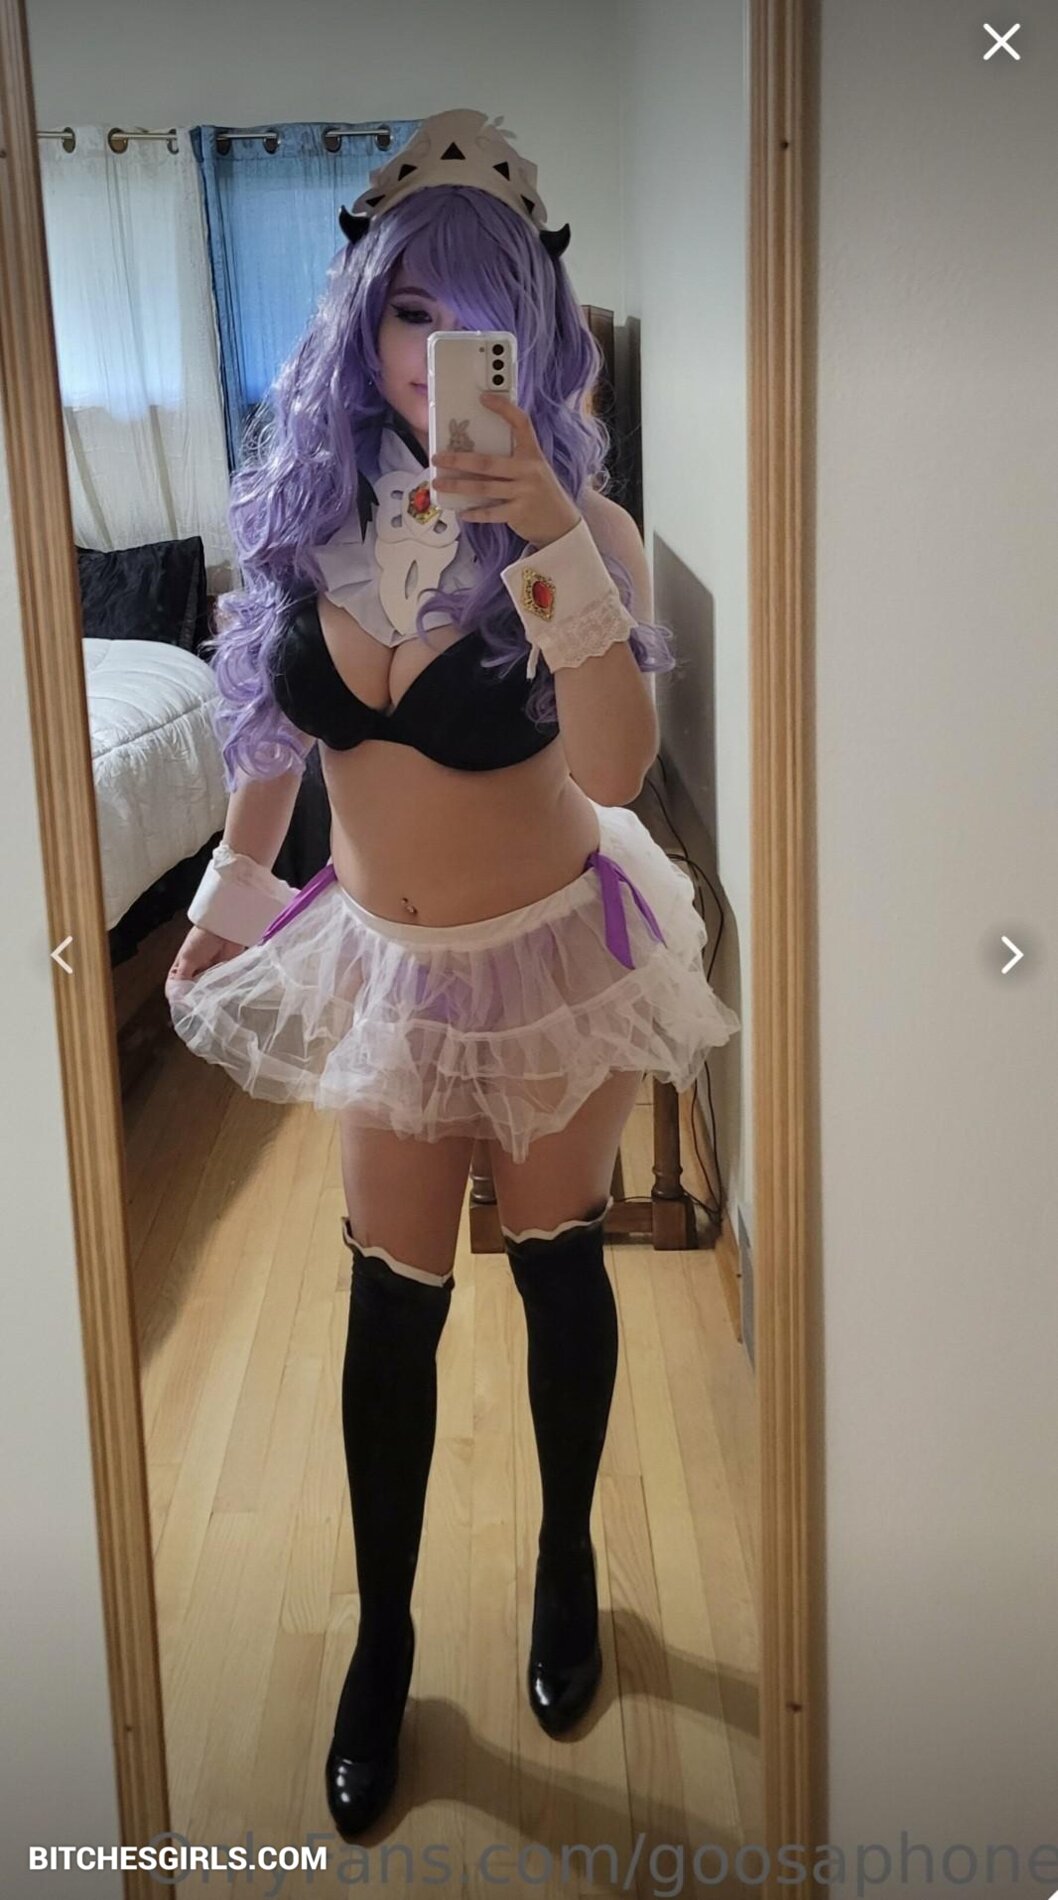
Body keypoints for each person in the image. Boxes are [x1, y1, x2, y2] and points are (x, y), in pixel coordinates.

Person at [164, 108, 739, 1840]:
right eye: (412, 312)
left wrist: (551, 525)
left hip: (554, 957)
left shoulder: (587, 530)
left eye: (478, 319)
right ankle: (385, 1641)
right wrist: (231, 894)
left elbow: (618, 766)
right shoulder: (302, 517)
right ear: (365, 317)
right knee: (390, 1299)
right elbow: (271, 732)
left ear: (533, 337)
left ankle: (565, 1565)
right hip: (389, 966)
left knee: (558, 1267)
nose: (436, 355)